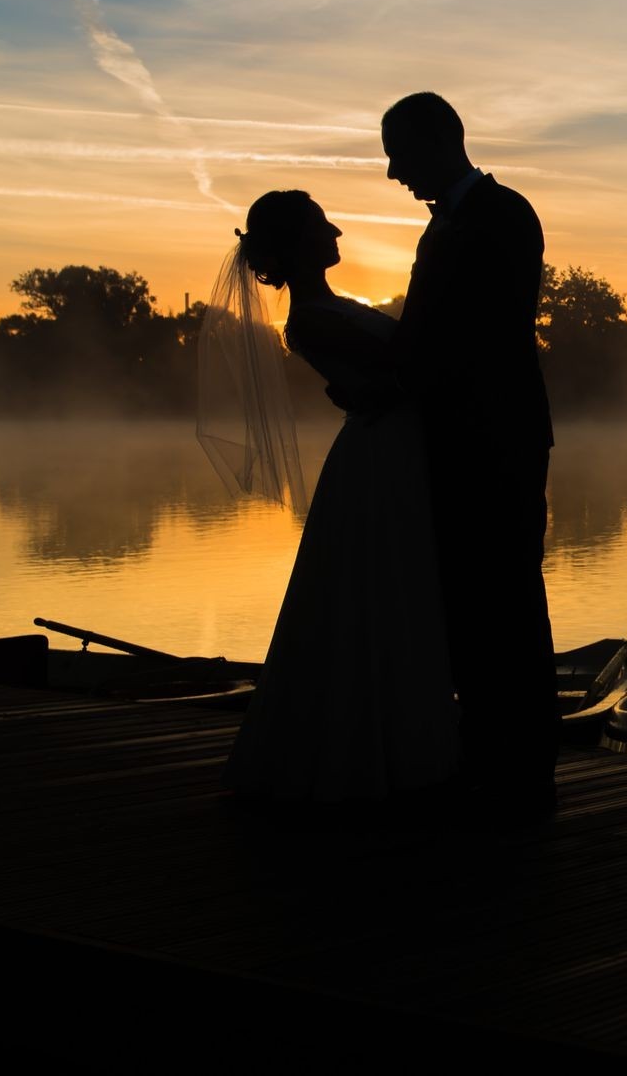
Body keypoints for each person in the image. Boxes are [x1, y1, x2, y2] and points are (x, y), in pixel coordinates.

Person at [209, 191, 460, 802]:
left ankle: (396, 742)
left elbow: (392, 375)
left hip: (386, 450)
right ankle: (379, 751)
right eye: (324, 224)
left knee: (379, 591)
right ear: (299, 242)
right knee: (377, 593)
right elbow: (413, 371)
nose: (338, 230)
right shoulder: (314, 317)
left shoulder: (327, 310)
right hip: (381, 461)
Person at [376, 92, 557, 818]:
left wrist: (389, 381)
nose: (391, 172)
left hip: (498, 435)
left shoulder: (503, 214)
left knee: (506, 596)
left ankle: (523, 766)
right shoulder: (446, 224)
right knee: (467, 600)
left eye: (398, 153)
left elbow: (474, 334)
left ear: (438, 141)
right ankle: (485, 754)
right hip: (458, 435)